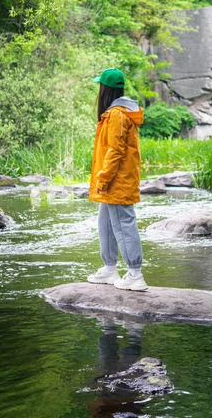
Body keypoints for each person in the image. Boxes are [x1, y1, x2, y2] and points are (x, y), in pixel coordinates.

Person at [88, 67, 148, 291]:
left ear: (105, 90)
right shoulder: (118, 113)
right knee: (105, 222)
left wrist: (102, 179)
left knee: (124, 224)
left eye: (99, 87)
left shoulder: (116, 115)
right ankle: (110, 269)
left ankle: (135, 274)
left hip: (117, 181)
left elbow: (115, 151)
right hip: (115, 180)